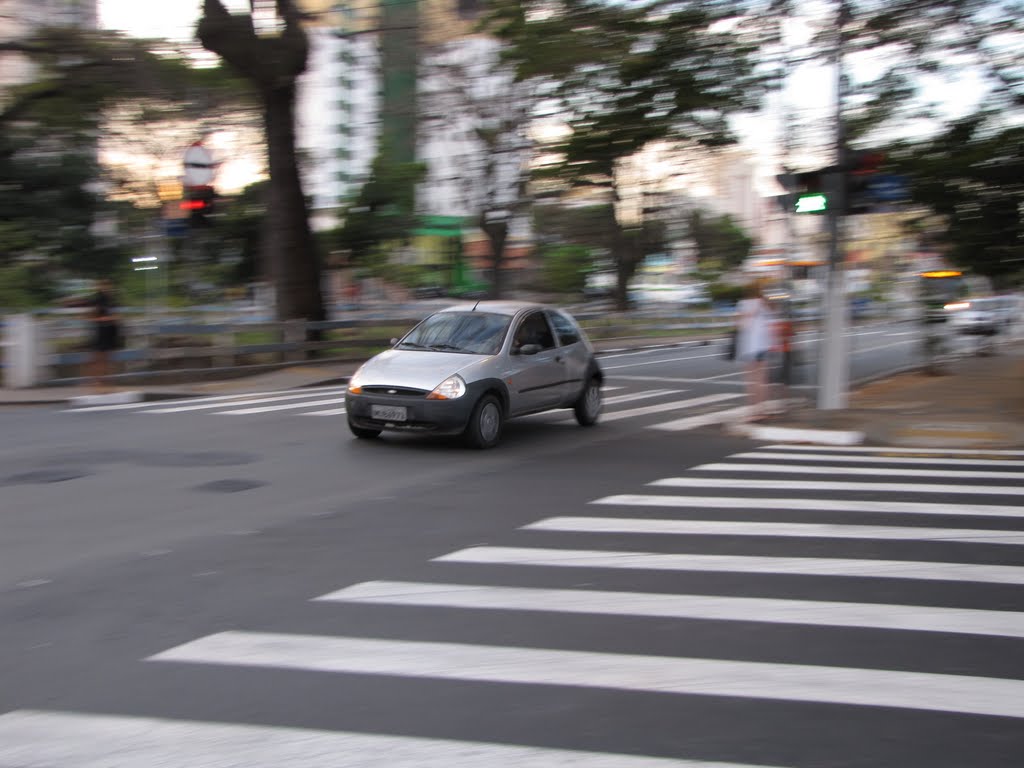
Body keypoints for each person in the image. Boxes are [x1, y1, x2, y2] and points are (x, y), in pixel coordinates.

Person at [736, 281, 775, 421]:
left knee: (751, 381)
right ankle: (762, 410)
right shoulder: (764, 304)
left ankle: (752, 411)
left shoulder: (743, 304)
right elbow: (771, 323)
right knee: (762, 380)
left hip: (749, 347)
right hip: (763, 346)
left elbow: (741, 326)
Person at [88, 279, 121, 392]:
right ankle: (96, 380)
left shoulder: (111, 300)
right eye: (104, 286)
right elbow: (92, 316)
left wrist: (114, 319)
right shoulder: (97, 299)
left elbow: (115, 314)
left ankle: (106, 380)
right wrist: (106, 319)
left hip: (110, 331)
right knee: (98, 357)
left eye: (108, 286)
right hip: (100, 330)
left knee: (108, 357)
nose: (107, 288)